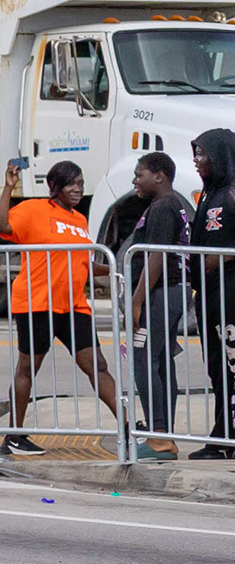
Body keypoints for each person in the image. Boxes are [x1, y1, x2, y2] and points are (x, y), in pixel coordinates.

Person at [0, 157, 117, 453]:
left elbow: (83, 263)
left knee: (97, 366)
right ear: (54, 187)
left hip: (73, 305)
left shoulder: (80, 220)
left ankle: (128, 428)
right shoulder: (34, 210)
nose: (77, 189)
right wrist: (8, 189)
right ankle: (15, 435)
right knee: (27, 368)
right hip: (37, 303)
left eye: (81, 183)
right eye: (71, 183)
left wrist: (115, 265)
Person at [113, 150, 190, 446]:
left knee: (143, 360)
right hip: (168, 293)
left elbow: (154, 257)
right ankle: (163, 433)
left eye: (139, 174)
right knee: (160, 361)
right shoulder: (171, 204)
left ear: (159, 176)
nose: (135, 180)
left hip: (160, 294)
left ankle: (159, 438)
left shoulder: (162, 206)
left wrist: (136, 301)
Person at [190, 130, 235, 456]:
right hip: (208, 295)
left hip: (230, 295)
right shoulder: (209, 192)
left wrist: (220, 258)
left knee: (231, 368)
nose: (196, 160)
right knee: (217, 369)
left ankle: (225, 438)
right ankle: (224, 435)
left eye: (202, 154)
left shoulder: (232, 192)